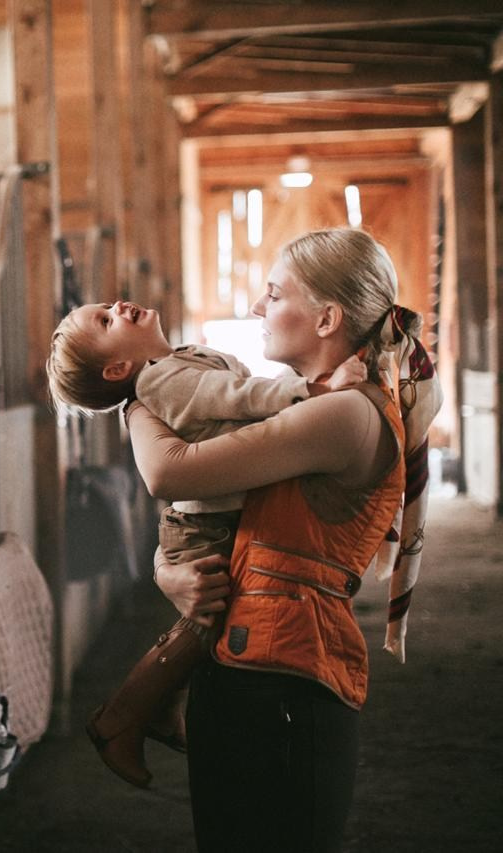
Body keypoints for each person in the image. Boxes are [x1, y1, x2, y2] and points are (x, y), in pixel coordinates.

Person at [126, 228, 441, 853]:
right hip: (252, 673)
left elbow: (170, 472)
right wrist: (168, 569)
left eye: (272, 295)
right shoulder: (313, 406)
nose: (254, 309)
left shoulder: (344, 414)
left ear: (328, 318)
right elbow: (220, 520)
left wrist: (133, 392)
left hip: (286, 686)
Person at [47, 299, 367, 789]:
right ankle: (122, 715)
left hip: (214, 514)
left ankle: (151, 710)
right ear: (117, 368)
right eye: (107, 321)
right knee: (218, 613)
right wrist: (315, 389)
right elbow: (235, 397)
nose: (118, 306)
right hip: (206, 524)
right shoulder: (158, 382)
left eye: (106, 307)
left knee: (213, 615)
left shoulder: (185, 356)